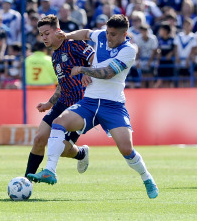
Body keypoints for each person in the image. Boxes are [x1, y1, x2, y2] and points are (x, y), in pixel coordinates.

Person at [27, 14, 159, 199]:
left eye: (113, 35)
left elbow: (108, 73)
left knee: (126, 149)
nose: (109, 38)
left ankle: (147, 178)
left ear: (124, 34)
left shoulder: (129, 50)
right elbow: (87, 33)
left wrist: (82, 70)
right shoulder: (102, 36)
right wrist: (68, 35)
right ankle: (50, 171)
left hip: (112, 105)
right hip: (88, 102)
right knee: (58, 122)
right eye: (107, 33)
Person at [24, 14, 95, 178]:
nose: (44, 38)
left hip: (81, 106)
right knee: (39, 139)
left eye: (47, 33)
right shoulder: (54, 56)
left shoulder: (74, 44)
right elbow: (63, 84)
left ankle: (81, 154)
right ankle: (27, 180)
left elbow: (97, 60)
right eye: (41, 34)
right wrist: (50, 103)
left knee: (60, 149)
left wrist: (86, 71)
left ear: (58, 30)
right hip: (62, 103)